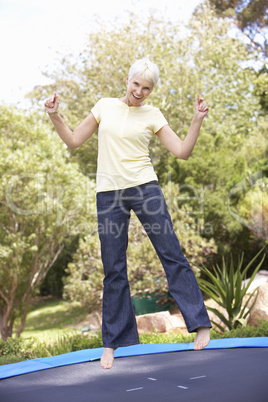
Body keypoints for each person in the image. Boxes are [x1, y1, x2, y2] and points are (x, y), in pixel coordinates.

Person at [44, 57, 212, 370]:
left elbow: (182, 152)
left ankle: (200, 323)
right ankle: (112, 342)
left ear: (151, 90)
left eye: (146, 88)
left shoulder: (153, 114)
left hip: (145, 189)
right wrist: (55, 115)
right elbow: (73, 140)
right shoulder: (104, 106)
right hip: (109, 196)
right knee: (114, 269)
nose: (140, 91)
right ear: (127, 79)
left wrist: (197, 119)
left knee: (171, 254)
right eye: (136, 84)